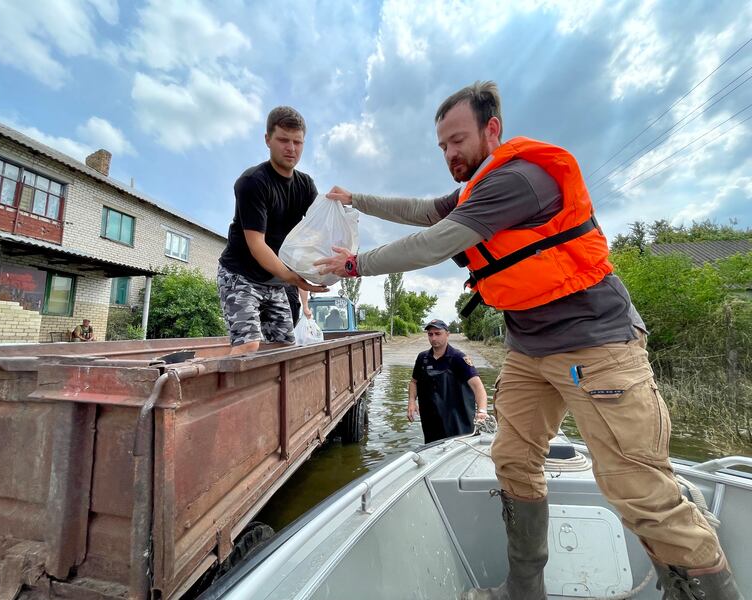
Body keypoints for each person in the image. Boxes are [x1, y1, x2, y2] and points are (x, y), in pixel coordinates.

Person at [316, 81, 741, 599]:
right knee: (513, 460)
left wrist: (356, 265)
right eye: (442, 146)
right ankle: (524, 591)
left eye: (458, 140)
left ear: (492, 129)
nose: (450, 153)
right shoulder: (474, 187)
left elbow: (438, 239)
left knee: (637, 487)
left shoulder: (519, 179)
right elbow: (424, 209)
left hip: (596, 344)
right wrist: (354, 199)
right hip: (529, 349)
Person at [218, 106, 326, 355]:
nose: (291, 148)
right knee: (248, 345)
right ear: (267, 139)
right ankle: (234, 393)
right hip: (240, 275)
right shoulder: (253, 182)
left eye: (298, 142)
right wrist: (292, 277)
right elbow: (257, 245)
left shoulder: (305, 185)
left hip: (273, 281)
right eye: (283, 140)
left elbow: (320, 229)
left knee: (283, 346)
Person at [409, 319, 489, 443]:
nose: (434, 338)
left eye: (438, 333)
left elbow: (478, 387)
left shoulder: (459, 358)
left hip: (459, 425)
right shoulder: (422, 358)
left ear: (447, 334)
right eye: (430, 334)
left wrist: (482, 411)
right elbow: (414, 382)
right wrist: (411, 401)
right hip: (432, 423)